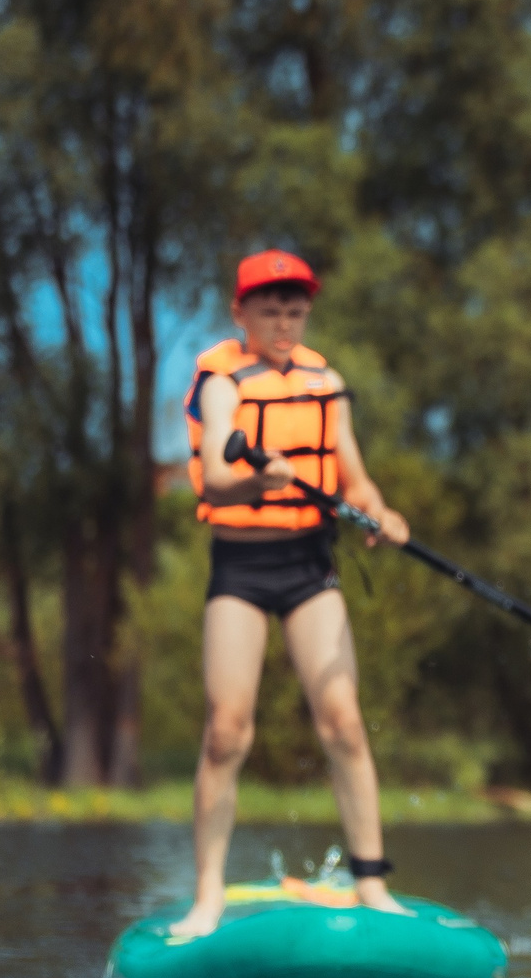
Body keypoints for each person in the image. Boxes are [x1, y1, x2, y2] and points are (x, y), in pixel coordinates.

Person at [171, 250, 413, 939]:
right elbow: (217, 477)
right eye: (269, 309)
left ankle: (372, 882)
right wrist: (257, 482)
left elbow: (354, 479)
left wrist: (380, 512)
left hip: (310, 564)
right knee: (227, 730)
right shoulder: (221, 380)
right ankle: (207, 897)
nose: (283, 322)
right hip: (241, 568)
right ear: (239, 312)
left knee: (341, 718)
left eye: (295, 310)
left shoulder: (324, 380)